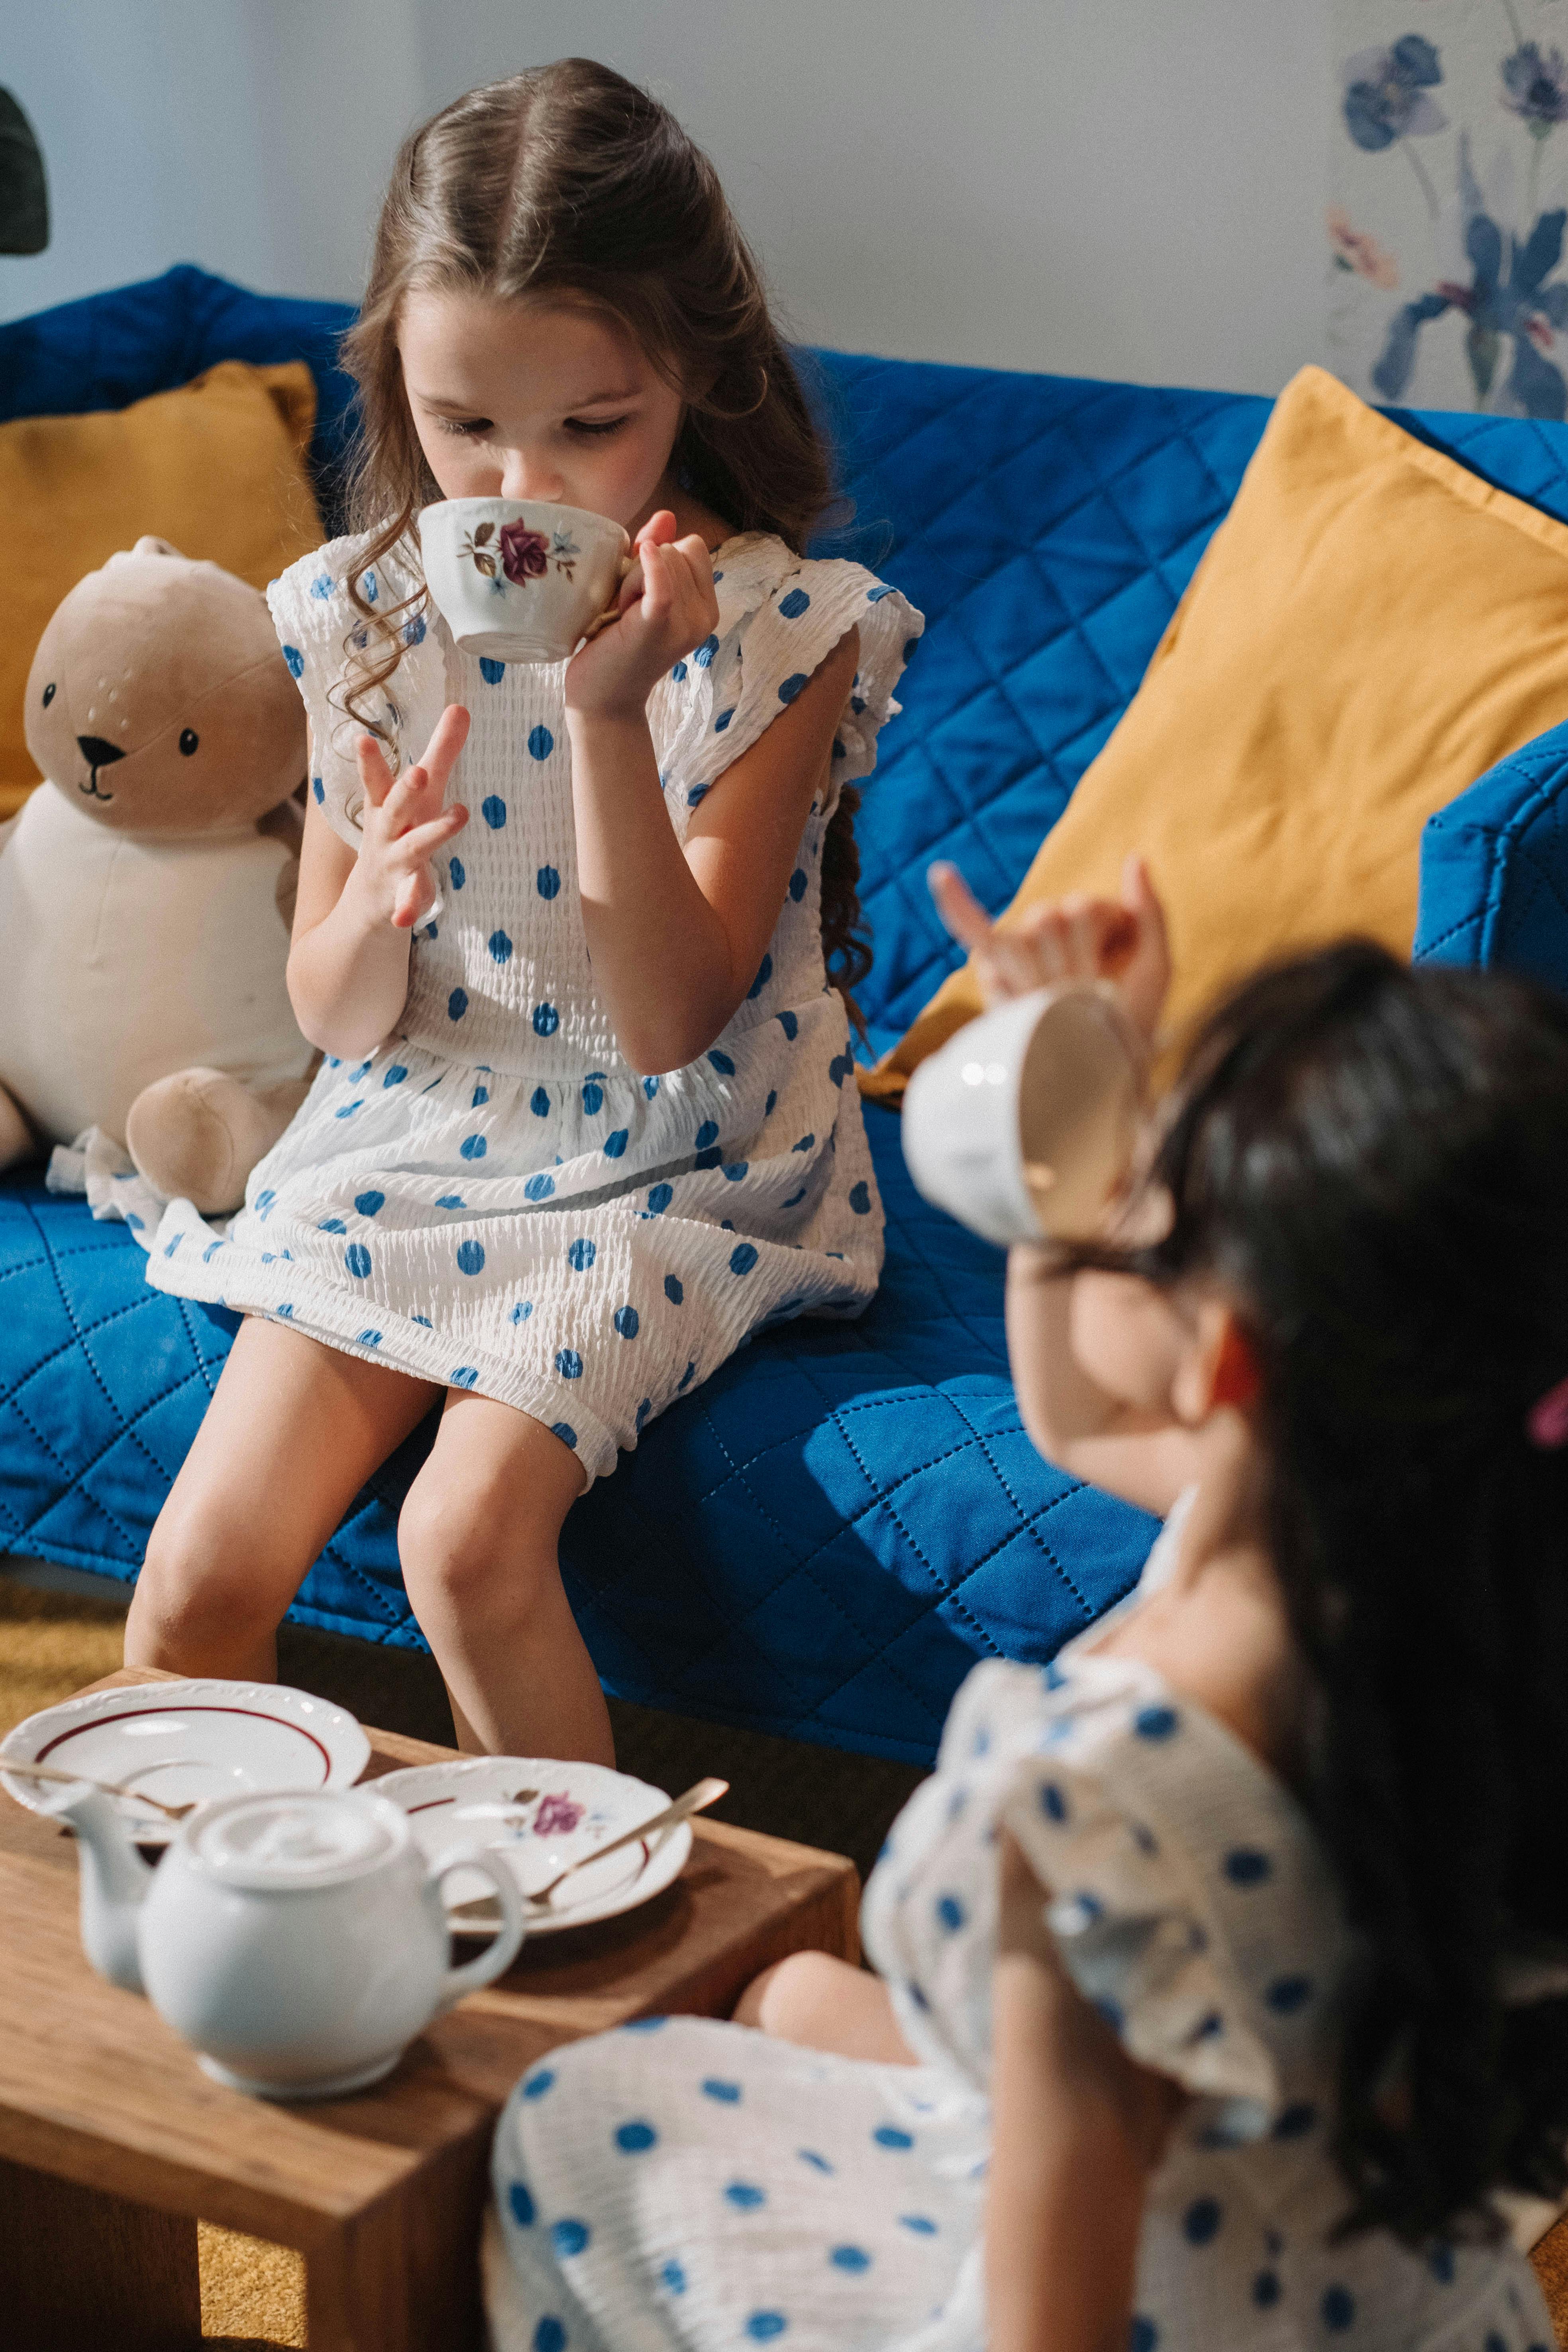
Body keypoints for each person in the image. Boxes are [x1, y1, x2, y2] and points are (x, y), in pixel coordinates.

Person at [482, 862, 1568, 2350]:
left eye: (1140, 1202)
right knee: (798, 1994)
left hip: (1161, 2294)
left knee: (575, 2118)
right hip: (1346, 2259)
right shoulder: (1458, 1564)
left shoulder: (1106, 1815)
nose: (1104, 1198)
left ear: (1221, 1357)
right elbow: (1077, 1416)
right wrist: (1074, 1076)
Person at [125, 59, 922, 1765]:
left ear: (691, 379)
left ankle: (593, 1961)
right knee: (194, 1585)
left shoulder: (788, 633)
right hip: (416, 1124)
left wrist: (610, 711)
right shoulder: (365, 619)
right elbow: (337, 1018)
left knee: (466, 1546)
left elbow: (663, 1020)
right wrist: (374, 904)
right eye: (460, 426)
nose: (515, 495)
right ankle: (232, 1955)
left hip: (674, 1150)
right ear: (396, 383)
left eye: (589, 427)